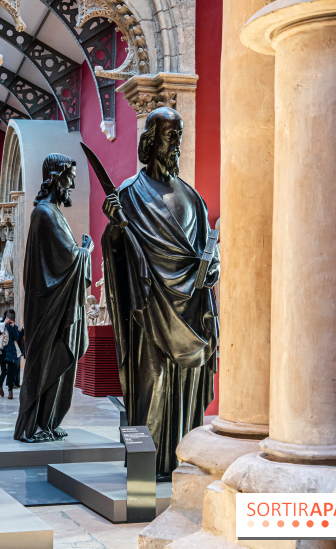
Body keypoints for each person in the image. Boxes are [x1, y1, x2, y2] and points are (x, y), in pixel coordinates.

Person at [101, 107, 218, 479]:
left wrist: (212, 268)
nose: (177, 146)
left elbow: (205, 253)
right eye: (171, 137)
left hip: (189, 313)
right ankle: (143, 469)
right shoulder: (128, 196)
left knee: (184, 391)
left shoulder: (193, 199)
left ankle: (180, 463)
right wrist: (115, 231)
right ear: (151, 141)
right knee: (149, 390)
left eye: (180, 137)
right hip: (149, 310)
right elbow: (117, 255)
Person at [14, 153, 92, 443]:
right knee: (44, 362)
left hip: (57, 303)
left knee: (58, 362)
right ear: (56, 178)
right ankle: (31, 426)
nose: (72, 183)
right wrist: (85, 251)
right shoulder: (43, 213)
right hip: (46, 306)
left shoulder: (53, 213)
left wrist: (80, 252)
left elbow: (64, 257)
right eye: (69, 177)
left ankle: (48, 422)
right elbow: (64, 260)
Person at [0, 308, 22, 399]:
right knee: (4, 371)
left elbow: (16, 337)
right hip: (3, 351)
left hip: (12, 351)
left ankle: (10, 391)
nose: (9, 317)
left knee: (11, 372)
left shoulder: (14, 326)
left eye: (11, 315)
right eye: (7, 315)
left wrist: (14, 328)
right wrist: (4, 324)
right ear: (5, 315)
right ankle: (0, 385)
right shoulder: (0, 324)